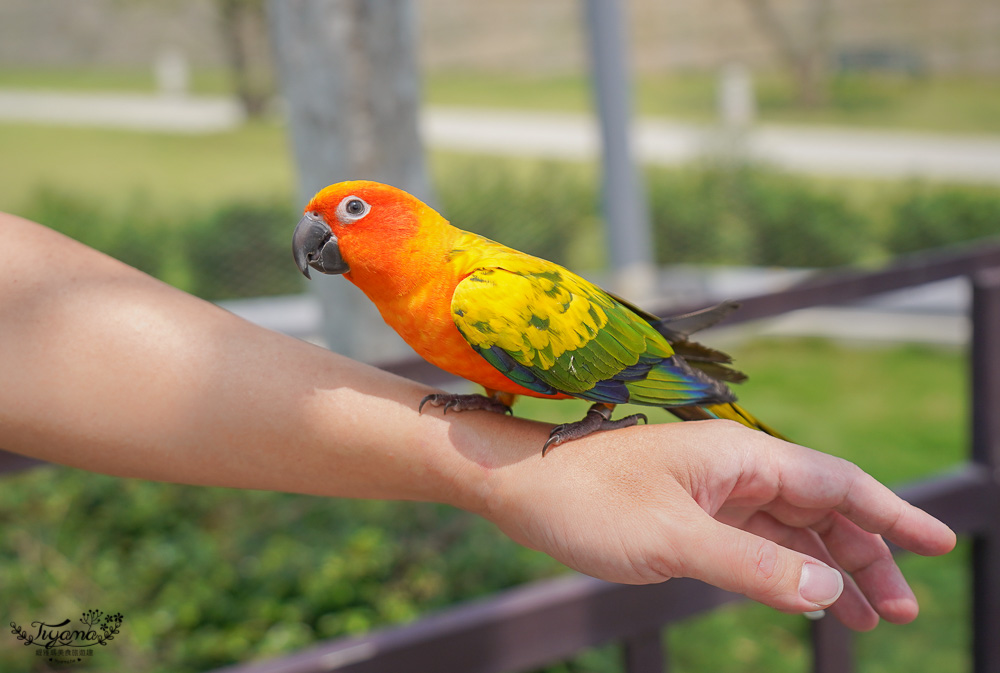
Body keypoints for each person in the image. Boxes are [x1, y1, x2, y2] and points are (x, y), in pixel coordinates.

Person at [0, 212, 956, 632]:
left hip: (626, 371)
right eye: (327, 219)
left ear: (405, 225)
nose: (321, 231)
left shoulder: (478, 290)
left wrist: (562, 435)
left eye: (353, 212)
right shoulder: (407, 300)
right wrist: (488, 441)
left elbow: (36, 322)